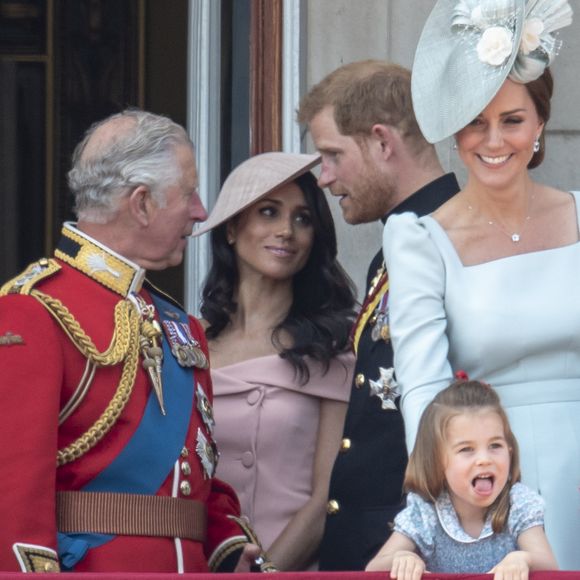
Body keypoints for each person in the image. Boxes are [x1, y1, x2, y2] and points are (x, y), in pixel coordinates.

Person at [0, 109, 270, 573]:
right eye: (188, 194)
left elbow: (192, 473)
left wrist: (224, 535)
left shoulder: (177, 324)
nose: (201, 211)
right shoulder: (33, 310)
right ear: (141, 203)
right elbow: (13, 488)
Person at [383, 0, 579, 570]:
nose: (493, 140)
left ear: (540, 124)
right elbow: (422, 387)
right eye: (475, 120)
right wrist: (445, 509)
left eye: (512, 120)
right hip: (488, 485)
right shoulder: (419, 238)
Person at [296, 59, 460, 570]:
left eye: (332, 155)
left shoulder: (458, 236)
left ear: (383, 142)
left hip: (415, 548)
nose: (323, 178)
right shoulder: (397, 240)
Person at [194, 151, 357, 570]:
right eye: (269, 212)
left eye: (303, 219)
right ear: (232, 228)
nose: (287, 231)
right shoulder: (191, 346)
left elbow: (328, 496)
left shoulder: (334, 345)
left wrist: (266, 573)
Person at [366, 379, 558, 579]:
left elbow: (550, 566)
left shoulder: (517, 503)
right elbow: (373, 569)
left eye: (495, 446)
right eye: (467, 449)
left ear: (510, 449)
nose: (484, 459)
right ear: (437, 460)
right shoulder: (425, 512)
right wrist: (403, 557)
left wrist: (523, 559)